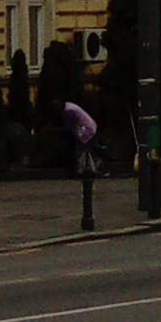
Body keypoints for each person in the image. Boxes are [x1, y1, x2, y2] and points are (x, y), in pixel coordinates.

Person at [62, 94, 102, 235]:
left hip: (86, 129)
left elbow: (70, 126)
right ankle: (91, 169)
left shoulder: (68, 111)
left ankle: (85, 170)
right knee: (86, 151)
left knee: (81, 151)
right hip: (88, 127)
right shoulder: (69, 106)